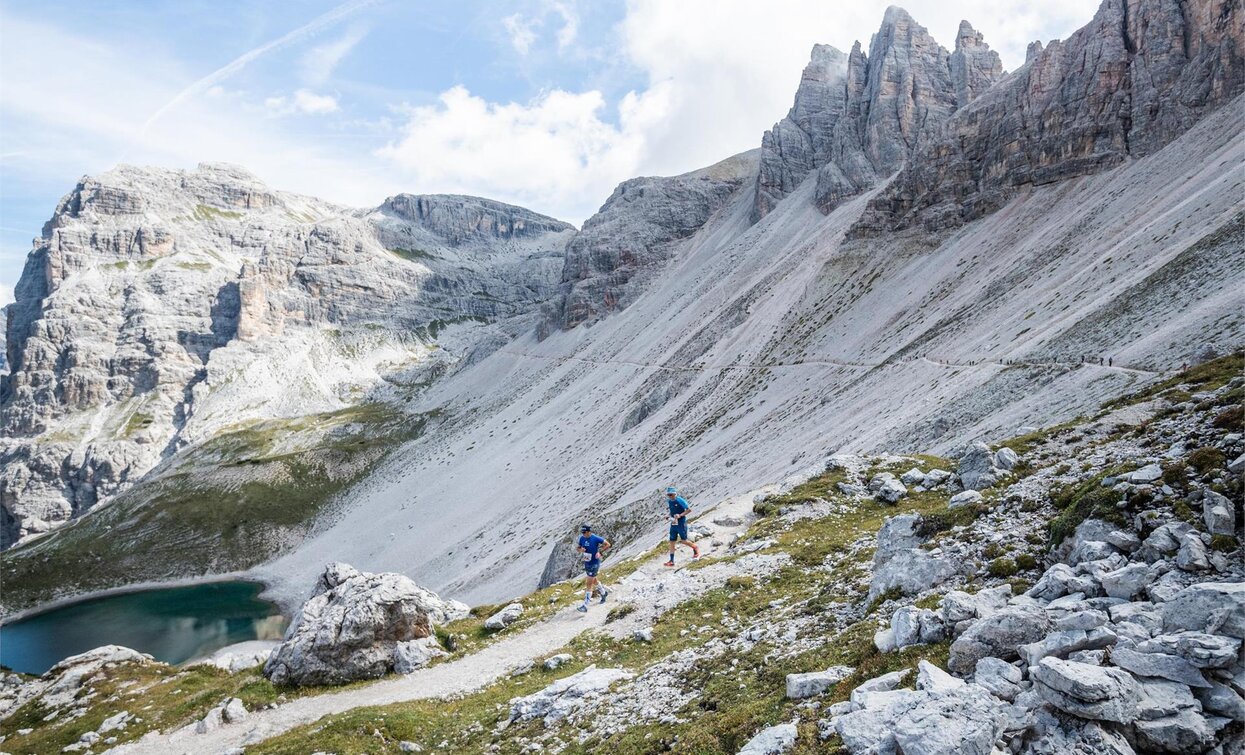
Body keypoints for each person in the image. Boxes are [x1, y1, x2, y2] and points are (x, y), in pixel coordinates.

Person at [575, 524, 610, 612]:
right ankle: (603, 593)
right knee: (594, 580)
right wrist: (580, 550)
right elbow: (578, 548)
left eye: (585, 532)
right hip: (587, 562)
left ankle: (585, 605)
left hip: (595, 562)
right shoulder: (582, 538)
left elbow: (608, 544)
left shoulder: (595, 538)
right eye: (582, 532)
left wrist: (600, 552)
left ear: (589, 531)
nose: (583, 534)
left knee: (588, 583)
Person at [663, 486, 700, 567]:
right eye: (668, 495)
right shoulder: (669, 501)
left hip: (681, 523)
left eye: (671, 494)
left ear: (675, 494)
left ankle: (695, 547)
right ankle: (671, 561)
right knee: (672, 541)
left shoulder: (680, 500)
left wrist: (680, 515)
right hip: (673, 522)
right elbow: (672, 511)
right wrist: (668, 515)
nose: (670, 496)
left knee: (684, 541)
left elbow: (689, 509)